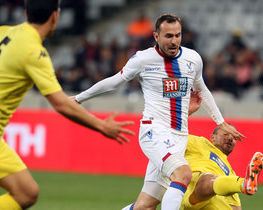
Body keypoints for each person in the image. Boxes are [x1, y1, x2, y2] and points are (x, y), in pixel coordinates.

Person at [0, 1, 134, 210]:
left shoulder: (4, 32)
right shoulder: (34, 52)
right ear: (55, 16)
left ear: (25, 13)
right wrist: (103, 126)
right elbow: (60, 104)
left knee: (26, 192)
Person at [73, 14, 244, 210]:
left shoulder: (193, 59)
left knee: (145, 206)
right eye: (168, 36)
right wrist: (79, 98)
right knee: (183, 174)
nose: (174, 41)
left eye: (178, 35)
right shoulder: (143, 59)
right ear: (156, 36)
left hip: (179, 137)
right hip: (154, 132)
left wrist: (220, 122)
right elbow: (114, 82)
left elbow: (202, 89)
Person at [180, 91, 263, 210]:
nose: (230, 138)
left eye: (234, 138)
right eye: (225, 134)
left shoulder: (230, 173)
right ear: (212, 138)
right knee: (207, 179)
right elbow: (173, 133)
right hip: (194, 195)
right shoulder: (199, 142)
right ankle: (243, 184)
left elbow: (235, 207)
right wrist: (187, 112)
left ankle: (245, 184)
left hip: (216, 204)